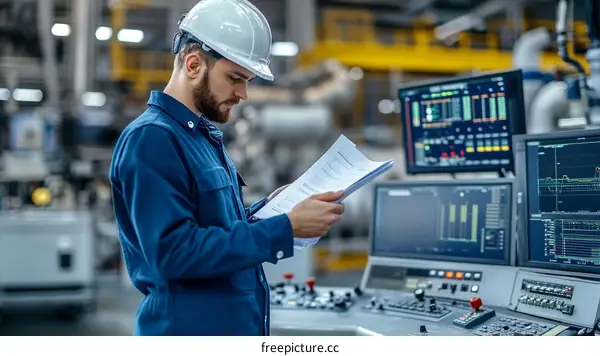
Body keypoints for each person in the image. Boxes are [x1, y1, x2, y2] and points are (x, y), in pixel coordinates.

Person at [109, 0, 345, 336]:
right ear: (193, 65)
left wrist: (273, 211)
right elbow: (175, 254)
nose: (243, 93)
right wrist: (284, 229)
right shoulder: (152, 140)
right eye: (235, 78)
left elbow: (216, 227)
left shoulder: (202, 137)